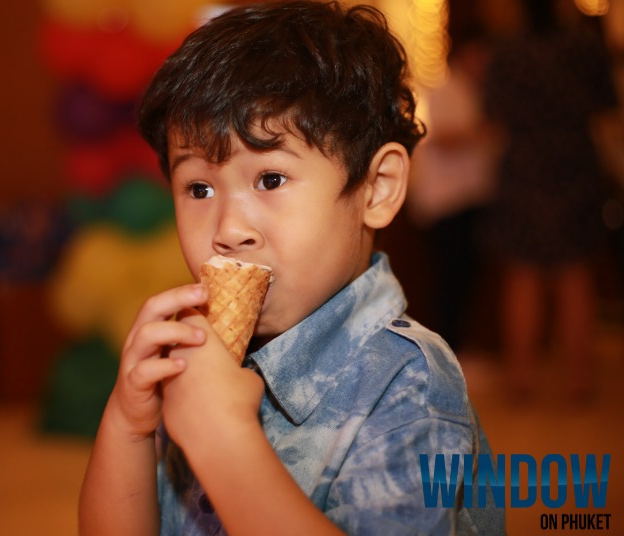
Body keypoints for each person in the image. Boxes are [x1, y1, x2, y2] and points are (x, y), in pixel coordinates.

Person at [80, 2, 504, 534]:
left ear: (376, 188)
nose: (229, 228)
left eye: (271, 180)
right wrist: (128, 425)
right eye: (199, 188)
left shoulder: (409, 382)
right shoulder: (198, 357)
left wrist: (223, 440)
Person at [482, 0, 618, 402]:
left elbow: (492, 116)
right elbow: (607, 107)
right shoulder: (584, 46)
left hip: (523, 166)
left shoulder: (507, 51)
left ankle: (521, 377)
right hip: (574, 164)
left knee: (522, 271)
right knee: (574, 270)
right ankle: (580, 380)